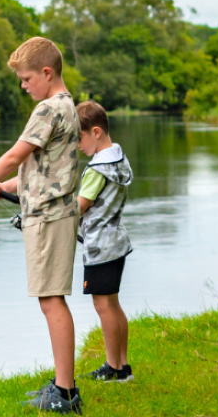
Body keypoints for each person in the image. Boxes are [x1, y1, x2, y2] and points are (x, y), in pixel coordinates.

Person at [0, 37, 82, 414]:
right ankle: (63, 387)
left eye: (27, 78)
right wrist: (8, 187)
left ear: (47, 73)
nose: (23, 85)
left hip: (49, 217)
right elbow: (47, 166)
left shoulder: (48, 109)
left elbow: (15, 155)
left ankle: (64, 393)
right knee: (50, 298)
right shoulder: (67, 105)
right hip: (52, 212)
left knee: (51, 300)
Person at [73, 100, 135, 383]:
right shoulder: (118, 158)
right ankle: (122, 366)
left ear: (95, 132)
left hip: (100, 247)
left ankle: (113, 368)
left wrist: (47, 213)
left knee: (103, 305)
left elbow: (79, 206)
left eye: (79, 138)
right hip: (116, 242)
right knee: (113, 304)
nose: (77, 145)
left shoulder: (97, 169)